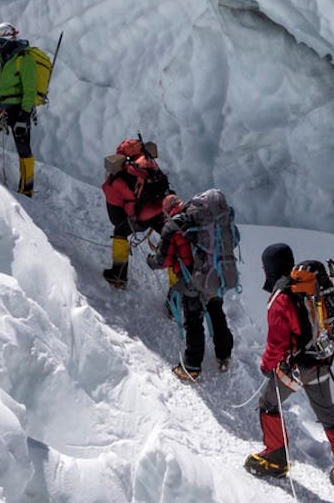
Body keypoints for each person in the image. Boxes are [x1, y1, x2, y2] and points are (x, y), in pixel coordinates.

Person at [246, 242, 334, 497]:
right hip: (320, 361)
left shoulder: (280, 297)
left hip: (296, 366)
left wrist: (266, 366)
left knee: (268, 404)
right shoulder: (308, 287)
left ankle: (275, 459)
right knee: (329, 416)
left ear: (269, 269)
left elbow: (277, 343)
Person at [157, 189, 239, 382]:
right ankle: (224, 354)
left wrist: (152, 261)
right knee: (216, 311)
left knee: (193, 320)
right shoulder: (203, 218)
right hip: (214, 274)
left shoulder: (176, 226)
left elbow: (164, 261)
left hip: (194, 279)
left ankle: (192, 366)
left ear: (168, 212)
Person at [0, 21, 48, 196]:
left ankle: (26, 189)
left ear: (5, 41)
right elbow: (0, 90)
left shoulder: (24, 60)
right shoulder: (5, 62)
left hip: (18, 110)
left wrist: (24, 114)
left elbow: (29, 89)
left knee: (23, 148)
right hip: (1, 109)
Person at [99, 136, 172, 289]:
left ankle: (118, 276)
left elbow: (117, 214)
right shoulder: (149, 163)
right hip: (159, 210)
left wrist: (130, 218)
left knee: (120, 232)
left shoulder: (123, 176)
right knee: (173, 242)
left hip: (142, 216)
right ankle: (178, 296)